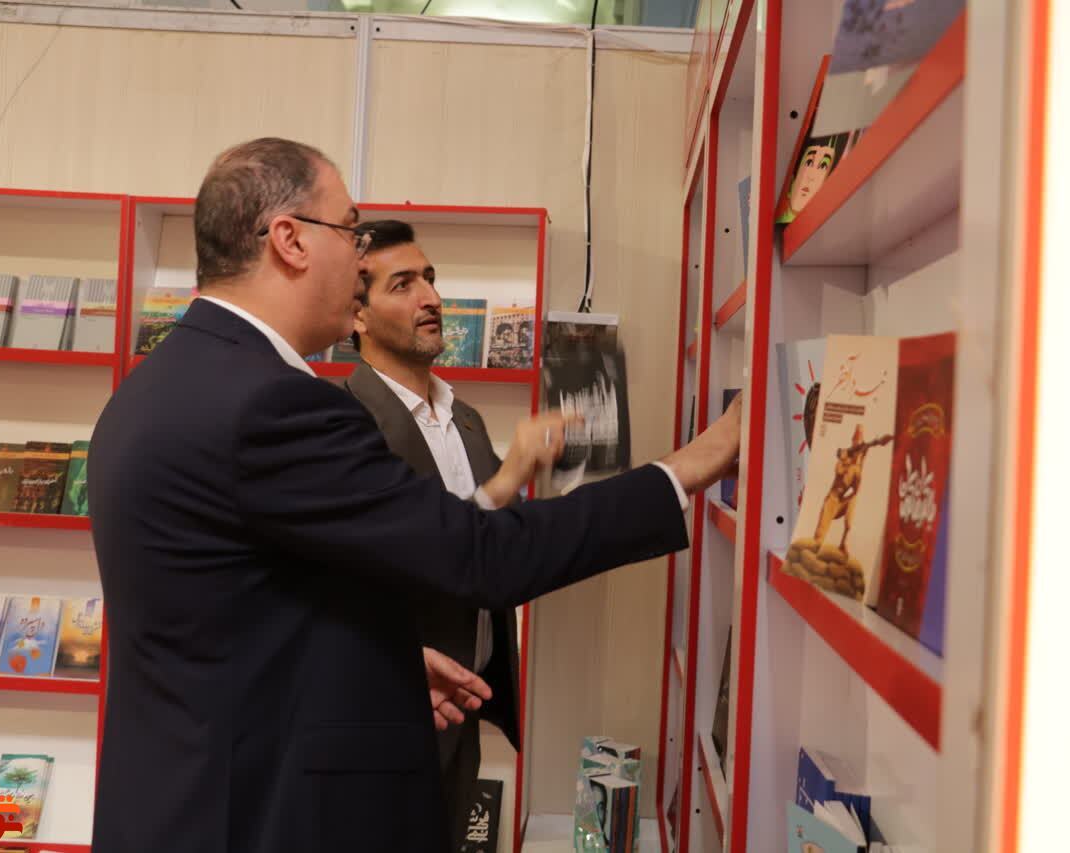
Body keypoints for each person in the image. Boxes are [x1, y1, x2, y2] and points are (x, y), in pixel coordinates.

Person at [87, 137, 741, 853]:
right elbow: (483, 554)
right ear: (290, 240)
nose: (358, 256)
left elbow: (237, 615)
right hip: (255, 816)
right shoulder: (270, 405)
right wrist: (689, 465)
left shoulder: (156, 386)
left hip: (180, 802)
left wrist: (381, 664)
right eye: (351, 231)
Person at [341, 219, 522, 846]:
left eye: (430, 279)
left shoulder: (465, 418)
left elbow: (487, 547)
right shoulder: (345, 422)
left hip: (464, 710)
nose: (432, 298)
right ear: (358, 315)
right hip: (385, 717)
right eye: (404, 285)